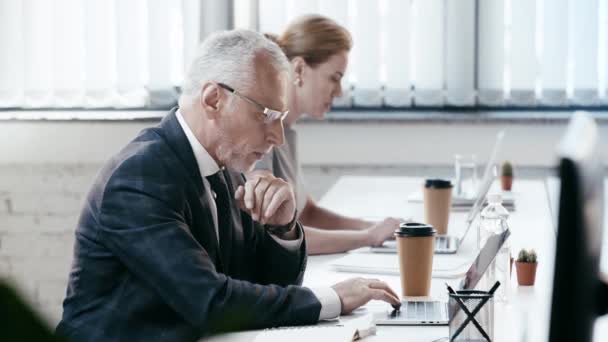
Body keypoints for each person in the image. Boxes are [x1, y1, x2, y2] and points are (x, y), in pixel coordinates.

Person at [55, 30, 400, 341]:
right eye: (266, 115)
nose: (278, 137)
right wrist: (333, 298)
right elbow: (212, 302)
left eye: (280, 119)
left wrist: (282, 227)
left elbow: (264, 287)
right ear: (213, 100)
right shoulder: (139, 178)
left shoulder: (226, 165)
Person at [252, 15, 403, 255]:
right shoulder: (261, 134)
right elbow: (276, 236)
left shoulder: (287, 131)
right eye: (334, 78)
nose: (340, 92)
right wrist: (367, 237)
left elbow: (307, 212)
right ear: (299, 69)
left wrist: (373, 227)